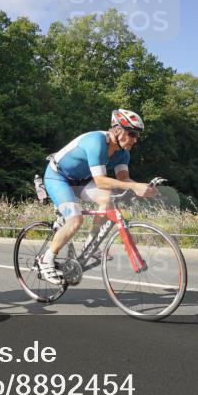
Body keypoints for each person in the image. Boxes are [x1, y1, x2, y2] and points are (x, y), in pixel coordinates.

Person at [38, 109, 157, 284]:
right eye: (132, 133)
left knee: (108, 199)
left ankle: (90, 247)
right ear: (117, 130)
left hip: (82, 181)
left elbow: (123, 178)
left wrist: (143, 188)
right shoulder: (96, 142)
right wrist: (133, 186)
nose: (135, 139)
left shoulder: (123, 152)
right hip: (58, 177)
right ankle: (45, 259)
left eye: (137, 135)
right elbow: (101, 181)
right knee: (75, 220)